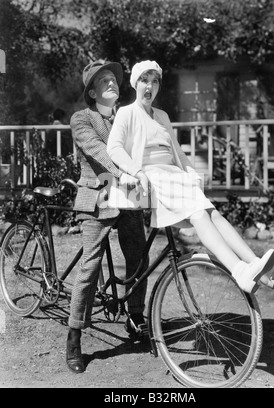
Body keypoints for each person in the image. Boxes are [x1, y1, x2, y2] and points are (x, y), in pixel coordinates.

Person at [107, 60, 274, 296]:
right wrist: (137, 172)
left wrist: (191, 173)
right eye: (144, 80)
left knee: (214, 213)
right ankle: (238, 270)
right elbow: (114, 148)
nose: (149, 86)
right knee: (200, 215)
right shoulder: (126, 113)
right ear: (135, 84)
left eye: (154, 81)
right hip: (152, 177)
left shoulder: (161, 116)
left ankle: (255, 265)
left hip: (175, 176)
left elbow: (178, 152)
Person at [66, 60, 148, 374]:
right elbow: (99, 150)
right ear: (91, 90)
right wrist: (124, 173)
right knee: (90, 266)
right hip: (98, 198)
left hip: (128, 198)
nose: (111, 83)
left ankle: (136, 317)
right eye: (103, 80)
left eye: (113, 78)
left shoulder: (128, 115)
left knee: (139, 257)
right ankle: (74, 336)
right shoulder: (81, 118)